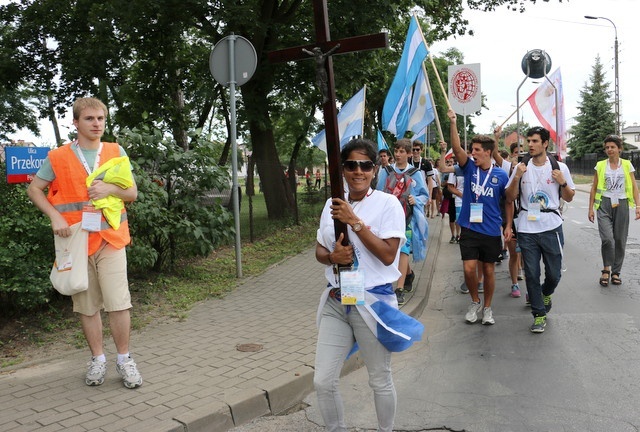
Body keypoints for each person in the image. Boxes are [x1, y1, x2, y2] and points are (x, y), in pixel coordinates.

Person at [26, 97, 142, 388]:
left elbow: (132, 194)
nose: (97, 124)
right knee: (87, 306)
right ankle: (98, 360)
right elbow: (35, 190)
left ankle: (125, 360)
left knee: (119, 304)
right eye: (90, 119)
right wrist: (55, 217)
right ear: (75, 122)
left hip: (111, 239)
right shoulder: (59, 157)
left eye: (101, 118)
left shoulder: (115, 151)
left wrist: (110, 188)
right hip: (77, 244)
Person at [314, 138, 423, 432]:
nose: (357, 171)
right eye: (351, 165)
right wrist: (332, 257)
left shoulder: (388, 204)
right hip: (338, 302)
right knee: (322, 381)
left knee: (379, 379)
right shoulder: (331, 204)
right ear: (343, 169)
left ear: (374, 169)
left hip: (371, 304)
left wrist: (355, 222)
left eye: (364, 165)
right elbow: (319, 251)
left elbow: (389, 256)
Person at [506, 126, 575, 333]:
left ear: (545, 143)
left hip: (551, 226)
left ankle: (546, 293)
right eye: (529, 141)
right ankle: (538, 314)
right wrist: (517, 177)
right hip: (527, 227)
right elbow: (509, 197)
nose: (531, 145)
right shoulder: (520, 166)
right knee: (532, 274)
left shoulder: (559, 168)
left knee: (554, 274)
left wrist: (562, 183)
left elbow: (570, 196)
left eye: (535, 141)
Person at [447, 109, 511, 325]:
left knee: (489, 270)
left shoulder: (501, 174)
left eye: (476, 150)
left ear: (487, 152)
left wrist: (508, 225)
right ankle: (475, 301)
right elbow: (456, 149)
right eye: (472, 149)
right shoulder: (469, 168)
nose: (472, 153)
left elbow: (509, 200)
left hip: (491, 230)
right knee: (468, 268)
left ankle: (488, 307)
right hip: (469, 227)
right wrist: (453, 123)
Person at [376, 138, 429, 305]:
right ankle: (409, 274)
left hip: (407, 217)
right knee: (392, 250)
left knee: (403, 250)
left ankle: (398, 290)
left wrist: (417, 199)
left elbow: (424, 195)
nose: (398, 154)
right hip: (388, 217)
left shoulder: (415, 173)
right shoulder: (386, 171)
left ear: (408, 153)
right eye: (396, 151)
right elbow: (378, 191)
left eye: (401, 152)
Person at [588, 134, 640, 286]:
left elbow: (634, 188)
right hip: (604, 203)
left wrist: (638, 206)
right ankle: (606, 269)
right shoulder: (600, 165)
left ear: (619, 149)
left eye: (613, 147)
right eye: (607, 147)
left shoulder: (627, 165)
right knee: (607, 239)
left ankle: (616, 272)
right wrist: (590, 208)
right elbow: (594, 188)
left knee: (620, 239)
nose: (610, 150)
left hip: (622, 203)